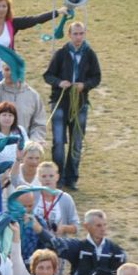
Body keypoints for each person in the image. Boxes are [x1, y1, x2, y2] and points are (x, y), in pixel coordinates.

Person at [43, 22, 100, 191]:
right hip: (60, 103)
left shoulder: (89, 54)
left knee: (76, 142)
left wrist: (85, 85)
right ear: (69, 35)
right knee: (58, 142)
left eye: (81, 33)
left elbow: (96, 77)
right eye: (75, 34)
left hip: (80, 103)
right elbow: (48, 75)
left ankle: (72, 178)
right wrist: (59, 82)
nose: (78, 37)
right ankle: (58, 177)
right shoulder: (61, 53)